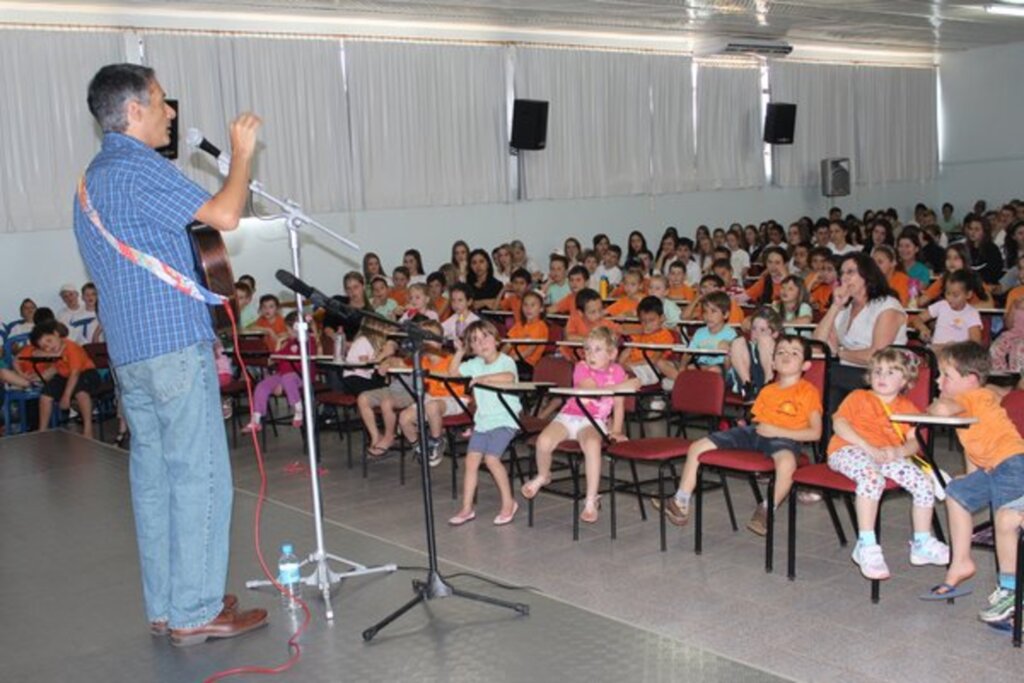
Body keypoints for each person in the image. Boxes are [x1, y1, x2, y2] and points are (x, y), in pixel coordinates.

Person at [72, 63, 266, 644]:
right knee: (201, 475)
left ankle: (168, 604)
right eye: (160, 102)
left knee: (154, 478)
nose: (171, 112)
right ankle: (198, 610)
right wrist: (241, 155)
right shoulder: (137, 166)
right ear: (133, 111)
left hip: (131, 353)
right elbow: (226, 215)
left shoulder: (90, 180)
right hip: (174, 348)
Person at [658, 336, 822, 536]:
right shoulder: (768, 390)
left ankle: (767, 508)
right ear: (772, 362)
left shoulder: (808, 392)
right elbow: (757, 422)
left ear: (806, 365)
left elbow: (816, 433)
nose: (786, 356)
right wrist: (747, 425)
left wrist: (777, 431)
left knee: (787, 462)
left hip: (785, 438)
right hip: (756, 433)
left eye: (794, 353)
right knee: (698, 446)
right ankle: (680, 501)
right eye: (781, 352)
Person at [923, 342, 1024, 626]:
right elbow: (975, 444)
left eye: (946, 376)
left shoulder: (976, 396)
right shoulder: (972, 401)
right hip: (994, 467)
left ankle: (1011, 590)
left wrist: (935, 404)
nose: (938, 380)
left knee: (1005, 526)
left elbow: (942, 409)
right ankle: (962, 561)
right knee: (956, 493)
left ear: (969, 380)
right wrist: (970, 475)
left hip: (1013, 465)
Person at [827, 348, 949, 580]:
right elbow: (840, 425)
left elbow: (916, 443)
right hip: (848, 449)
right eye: (878, 371)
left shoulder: (908, 408)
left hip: (886, 455)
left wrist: (899, 451)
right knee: (872, 479)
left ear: (904, 380)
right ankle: (866, 544)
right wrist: (866, 446)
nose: (882, 377)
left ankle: (922, 542)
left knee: (922, 481)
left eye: (891, 372)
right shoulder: (858, 397)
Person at [521, 326, 639, 524]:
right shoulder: (581, 367)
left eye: (597, 349)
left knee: (592, 446)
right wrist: (623, 386)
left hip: (593, 421)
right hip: (569, 416)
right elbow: (592, 390)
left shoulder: (618, 371)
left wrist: (617, 431)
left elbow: (618, 405)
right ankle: (543, 475)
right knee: (543, 442)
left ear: (612, 353)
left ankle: (591, 499)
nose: (590, 354)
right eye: (588, 349)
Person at [447, 320, 521, 526]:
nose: (481, 343)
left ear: (496, 339)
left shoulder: (505, 360)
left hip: (506, 419)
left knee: (491, 459)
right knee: (470, 462)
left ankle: (509, 503)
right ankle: (466, 508)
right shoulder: (475, 364)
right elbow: (452, 373)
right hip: (483, 422)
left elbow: (508, 377)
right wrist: (459, 353)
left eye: (485, 337)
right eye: (475, 341)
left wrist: (483, 379)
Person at [813, 252, 908, 409]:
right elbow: (818, 344)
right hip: (846, 373)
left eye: (850, 272)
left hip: (882, 374)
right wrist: (835, 306)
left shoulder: (887, 306)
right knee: (831, 391)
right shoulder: (845, 309)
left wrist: (840, 353)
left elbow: (877, 356)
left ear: (867, 275)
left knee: (826, 375)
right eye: (842, 273)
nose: (844, 278)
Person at [396, 318, 468, 467]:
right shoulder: (421, 359)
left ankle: (437, 441)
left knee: (431, 406)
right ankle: (418, 446)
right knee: (403, 417)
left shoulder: (449, 359)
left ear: (440, 341)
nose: (427, 342)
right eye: (423, 338)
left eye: (431, 337)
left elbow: (455, 376)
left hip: (454, 398)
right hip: (432, 397)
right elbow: (399, 362)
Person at [18, 319, 101, 439]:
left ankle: (88, 430)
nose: (49, 347)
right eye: (44, 346)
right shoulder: (53, 351)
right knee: (45, 395)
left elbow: (75, 374)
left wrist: (66, 397)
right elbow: (35, 354)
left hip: (85, 373)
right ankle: (43, 431)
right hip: (64, 376)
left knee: (80, 392)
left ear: (56, 334)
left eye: (49, 340)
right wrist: (51, 354)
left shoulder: (72, 347)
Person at [241, 312, 314, 433]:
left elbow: (297, 364)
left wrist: (281, 384)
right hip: (283, 375)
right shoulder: (290, 342)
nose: (287, 333)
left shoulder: (308, 342)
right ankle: (256, 418)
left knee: (288, 379)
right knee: (262, 386)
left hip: (301, 376)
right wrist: (279, 343)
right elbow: (277, 358)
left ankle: (298, 409)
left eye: (289, 330)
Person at [910, 270, 982, 350]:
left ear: (968, 294)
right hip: (936, 351)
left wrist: (955, 346)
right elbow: (917, 319)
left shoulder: (972, 314)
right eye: (947, 293)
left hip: (957, 354)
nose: (950, 298)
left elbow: (975, 343)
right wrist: (923, 329)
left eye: (955, 295)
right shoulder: (941, 305)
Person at [727, 306, 782, 400]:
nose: (757, 333)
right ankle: (747, 387)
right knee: (737, 342)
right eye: (753, 329)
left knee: (765, 341)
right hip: (746, 378)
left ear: (775, 333)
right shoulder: (744, 346)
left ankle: (769, 384)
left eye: (762, 330)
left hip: (770, 377)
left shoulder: (778, 347)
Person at [618, 296, 675, 387]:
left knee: (659, 363)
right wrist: (621, 363)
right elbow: (628, 350)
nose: (647, 324)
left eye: (652, 320)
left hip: (652, 366)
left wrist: (632, 365)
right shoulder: (640, 332)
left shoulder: (665, 335)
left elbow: (654, 360)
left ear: (662, 318)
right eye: (643, 321)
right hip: (634, 365)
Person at [503, 290, 548, 378]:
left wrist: (509, 360)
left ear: (541, 309)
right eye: (525, 305)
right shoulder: (519, 324)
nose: (528, 308)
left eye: (533, 305)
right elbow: (508, 344)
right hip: (512, 361)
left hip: (526, 364)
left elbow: (529, 351)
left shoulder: (541, 326)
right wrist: (499, 358)